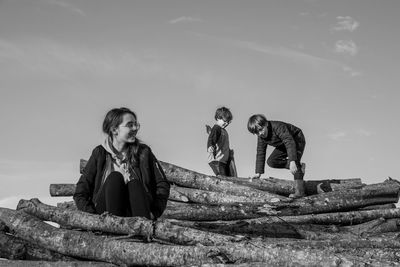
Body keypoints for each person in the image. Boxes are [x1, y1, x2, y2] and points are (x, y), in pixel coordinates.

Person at [73, 107, 170, 219]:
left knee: (134, 184)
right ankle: (112, 231)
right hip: (105, 215)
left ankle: (141, 231)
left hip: (138, 212)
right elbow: (80, 192)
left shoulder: (143, 152)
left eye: (136, 124)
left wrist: (154, 212)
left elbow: (162, 184)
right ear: (114, 130)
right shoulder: (99, 153)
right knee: (115, 178)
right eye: (130, 125)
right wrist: (94, 218)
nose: (135, 128)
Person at [247, 114, 306, 198]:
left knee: (295, 163)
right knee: (271, 161)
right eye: (256, 133)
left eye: (260, 130)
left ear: (266, 124)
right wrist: (258, 173)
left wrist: (292, 161)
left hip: (296, 139)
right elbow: (260, 152)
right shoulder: (261, 137)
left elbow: (289, 141)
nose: (260, 134)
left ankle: (300, 192)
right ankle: (299, 167)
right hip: (283, 144)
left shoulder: (278, 127)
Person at [207, 106, 234, 176]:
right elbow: (211, 138)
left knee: (229, 177)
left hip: (223, 160)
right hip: (216, 160)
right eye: (224, 121)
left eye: (228, 122)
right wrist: (210, 146)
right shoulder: (216, 128)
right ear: (218, 118)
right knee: (222, 178)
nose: (226, 123)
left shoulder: (223, 131)